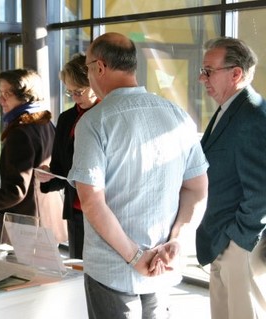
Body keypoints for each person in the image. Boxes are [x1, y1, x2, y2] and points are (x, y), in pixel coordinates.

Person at [67, 32, 209, 318]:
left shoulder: (94, 122)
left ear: (100, 67)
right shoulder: (177, 115)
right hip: (162, 267)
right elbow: (197, 188)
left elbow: (93, 202)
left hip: (112, 271)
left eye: (87, 67)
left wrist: (135, 257)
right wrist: (176, 241)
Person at [195, 37, 266, 319]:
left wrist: (239, 242)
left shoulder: (252, 115)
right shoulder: (231, 110)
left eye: (209, 71)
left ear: (236, 73)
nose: (202, 78)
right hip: (222, 241)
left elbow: (261, 191)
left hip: (241, 245)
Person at [0, 68, 67, 244]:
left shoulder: (21, 132)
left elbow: (15, 191)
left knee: (22, 272)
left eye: (7, 94)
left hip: (26, 228)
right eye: (0, 93)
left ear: (25, 96)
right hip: (49, 219)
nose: (0, 99)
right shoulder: (46, 123)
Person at [37, 53, 99, 259]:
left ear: (93, 83)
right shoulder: (66, 119)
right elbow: (61, 169)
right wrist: (49, 175)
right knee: (79, 274)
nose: (75, 98)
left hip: (105, 209)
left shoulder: (108, 114)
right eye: (69, 92)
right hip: (76, 210)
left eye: (79, 91)